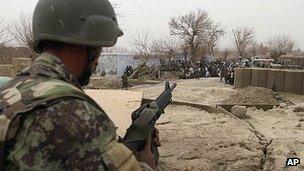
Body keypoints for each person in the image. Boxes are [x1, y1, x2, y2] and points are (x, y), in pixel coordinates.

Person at [0, 0, 156, 170]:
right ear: (90, 45)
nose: (97, 60)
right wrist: (145, 164)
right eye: (100, 48)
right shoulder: (76, 114)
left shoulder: (8, 91)